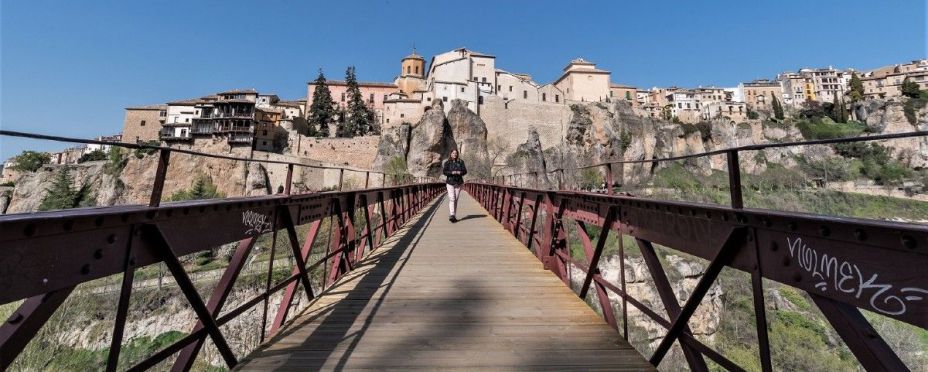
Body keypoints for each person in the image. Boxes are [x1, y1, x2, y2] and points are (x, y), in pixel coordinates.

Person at [442, 149, 467, 222]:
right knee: (452, 198)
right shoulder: (447, 162)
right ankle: (452, 214)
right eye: (453, 153)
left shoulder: (461, 162)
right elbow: (444, 172)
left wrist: (460, 172)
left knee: (455, 199)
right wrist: (452, 172)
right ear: (451, 154)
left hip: (458, 183)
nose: (455, 154)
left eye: (456, 153)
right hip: (450, 182)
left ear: (457, 154)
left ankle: (453, 216)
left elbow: (465, 171)